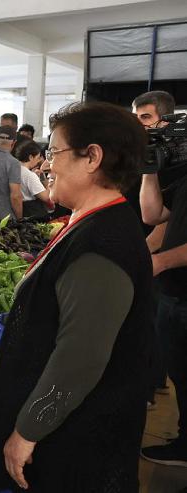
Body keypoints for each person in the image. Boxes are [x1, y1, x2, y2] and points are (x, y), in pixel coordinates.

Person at [0, 101, 153, 492]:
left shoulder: (102, 246)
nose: (45, 165)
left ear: (92, 157)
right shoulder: (93, 221)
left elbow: (80, 358)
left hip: (77, 442)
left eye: (54, 153)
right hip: (71, 429)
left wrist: (27, 431)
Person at [138, 93, 187, 467]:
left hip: (177, 286)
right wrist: (149, 168)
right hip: (173, 293)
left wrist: (159, 262)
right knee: (179, 375)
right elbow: (153, 214)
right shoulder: (182, 177)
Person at [13, 139, 52, 220]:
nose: (38, 161)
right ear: (30, 157)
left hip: (17, 210)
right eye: (37, 158)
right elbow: (47, 197)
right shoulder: (29, 175)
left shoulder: (13, 169)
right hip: (32, 213)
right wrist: (47, 182)